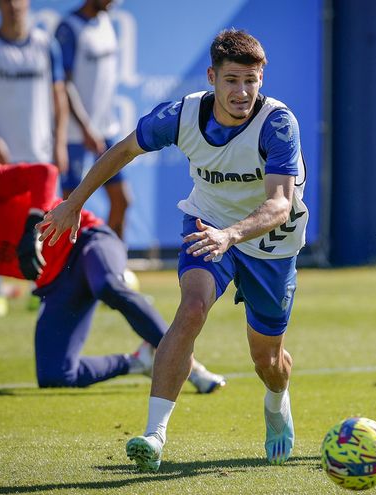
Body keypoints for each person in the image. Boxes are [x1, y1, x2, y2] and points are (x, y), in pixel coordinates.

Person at [39, 29, 308, 472]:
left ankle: (277, 403)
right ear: (212, 77)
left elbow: (279, 205)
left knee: (268, 360)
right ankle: (154, 434)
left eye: (252, 80)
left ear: (262, 79)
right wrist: (74, 202)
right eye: (232, 80)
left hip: (271, 242)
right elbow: (124, 149)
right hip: (207, 224)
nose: (242, 91)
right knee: (192, 308)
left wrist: (231, 236)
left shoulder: (278, 123)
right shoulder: (182, 115)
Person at [0, 160, 226, 395]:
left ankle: (190, 366)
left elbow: (45, 172)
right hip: (58, 282)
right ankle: (139, 360)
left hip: (84, 239)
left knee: (110, 287)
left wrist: (32, 225)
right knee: (55, 376)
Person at [0, 0, 69, 317]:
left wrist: (60, 142)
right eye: (6, 1)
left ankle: (43, 289)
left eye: (18, 1)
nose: (13, 6)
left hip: (40, 154)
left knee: (48, 224)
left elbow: (59, 96)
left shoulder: (45, 45)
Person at [54, 0, 131, 240]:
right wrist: (85, 127)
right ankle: (66, 272)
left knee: (122, 200)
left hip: (105, 130)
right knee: (68, 207)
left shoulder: (106, 20)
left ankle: (112, 262)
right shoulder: (68, 28)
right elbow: (62, 84)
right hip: (74, 135)